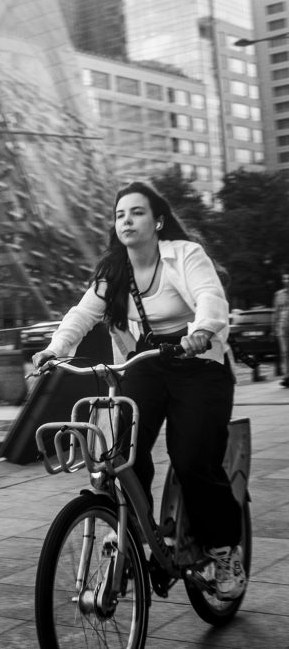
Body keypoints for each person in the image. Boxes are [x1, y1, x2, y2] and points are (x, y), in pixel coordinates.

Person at [31, 181, 246, 601]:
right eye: (120, 215)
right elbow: (83, 313)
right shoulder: (115, 270)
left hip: (199, 363)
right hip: (148, 363)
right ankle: (132, 534)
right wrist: (54, 350)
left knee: (191, 457)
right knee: (118, 451)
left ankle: (223, 551)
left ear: (158, 220)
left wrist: (201, 331)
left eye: (137, 212)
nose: (127, 220)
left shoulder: (184, 255)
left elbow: (209, 296)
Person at [272, 270, 289, 387]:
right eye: (285, 279)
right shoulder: (279, 294)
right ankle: (287, 376)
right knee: (285, 353)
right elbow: (276, 312)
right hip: (283, 328)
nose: (286, 281)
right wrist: (274, 328)